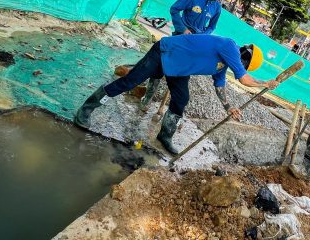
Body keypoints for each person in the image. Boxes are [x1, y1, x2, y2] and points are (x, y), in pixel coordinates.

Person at [74, 35, 277, 154]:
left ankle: (165, 135)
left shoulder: (222, 66)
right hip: (164, 52)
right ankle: (86, 109)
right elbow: (245, 80)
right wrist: (264, 83)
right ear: (244, 56)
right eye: (244, 64)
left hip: (178, 69)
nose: (240, 66)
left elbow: (219, 87)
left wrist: (228, 107)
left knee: (181, 99)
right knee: (130, 82)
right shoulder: (229, 46)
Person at [169, 0, 236, 36]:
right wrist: (183, 29)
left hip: (197, 40)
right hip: (181, 35)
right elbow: (174, 9)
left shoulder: (217, 8)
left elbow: (212, 26)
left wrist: (203, 35)